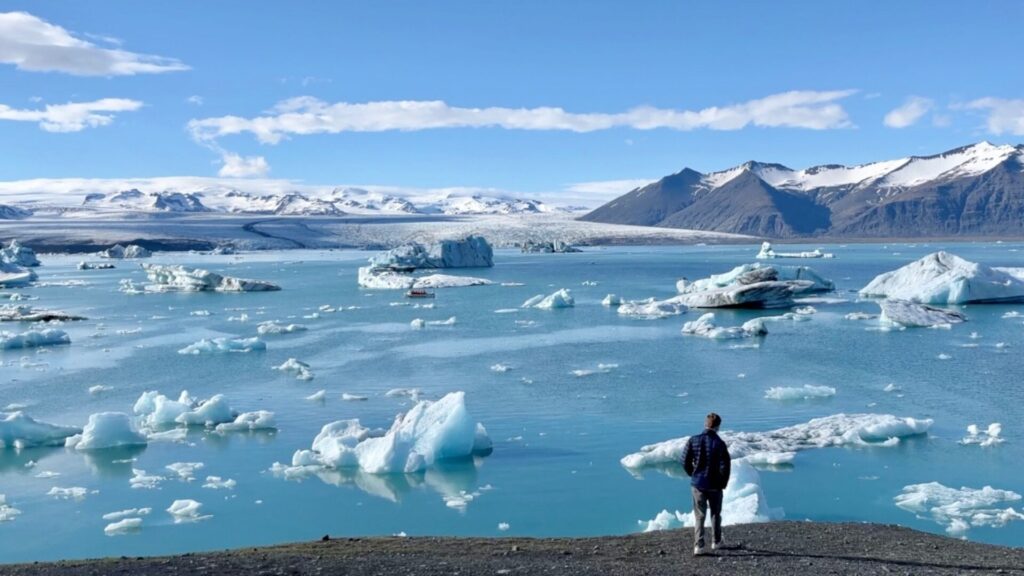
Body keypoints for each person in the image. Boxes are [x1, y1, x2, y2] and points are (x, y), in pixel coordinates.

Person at [682, 412, 731, 556]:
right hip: (715, 484)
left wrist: (693, 473)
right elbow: (726, 466)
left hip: (698, 483)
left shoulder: (693, 440)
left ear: (705, 424)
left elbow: (684, 460)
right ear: (718, 427)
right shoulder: (720, 444)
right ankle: (716, 541)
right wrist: (723, 482)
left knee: (699, 515)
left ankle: (699, 545)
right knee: (715, 513)